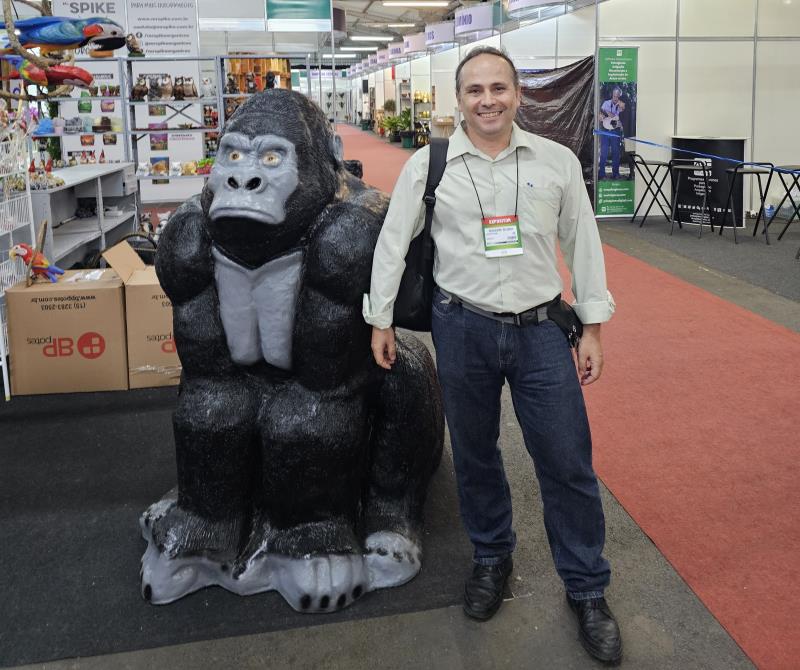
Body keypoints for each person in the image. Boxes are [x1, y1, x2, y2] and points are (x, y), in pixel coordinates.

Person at [363, 46, 621, 665]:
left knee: (566, 460)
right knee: (476, 455)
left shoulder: (556, 162)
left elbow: (583, 246)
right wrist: (379, 317)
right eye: (475, 90)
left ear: (517, 94)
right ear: (459, 99)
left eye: (499, 88)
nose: (488, 100)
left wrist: (593, 326)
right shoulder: (431, 165)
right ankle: (491, 558)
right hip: (462, 328)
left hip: (540, 334)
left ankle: (586, 589)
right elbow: (393, 242)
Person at [598, 87, 625, 179]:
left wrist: (611, 114)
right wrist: (601, 117)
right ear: (612, 95)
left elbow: (620, 119)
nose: (615, 98)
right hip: (605, 131)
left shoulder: (621, 106)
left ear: (619, 96)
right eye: (614, 95)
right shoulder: (606, 103)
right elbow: (600, 116)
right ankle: (602, 174)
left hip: (615, 132)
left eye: (617, 96)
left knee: (616, 153)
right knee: (603, 153)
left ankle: (616, 174)